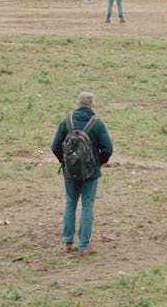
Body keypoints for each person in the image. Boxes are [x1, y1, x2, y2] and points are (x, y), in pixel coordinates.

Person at [50, 92, 113, 254]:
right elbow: (108, 148)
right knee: (87, 206)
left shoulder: (66, 122)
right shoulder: (97, 124)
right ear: (93, 105)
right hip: (91, 173)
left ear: (77, 104)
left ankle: (68, 242)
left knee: (70, 204)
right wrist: (98, 163)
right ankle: (84, 245)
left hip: (70, 173)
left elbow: (54, 146)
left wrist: (66, 162)